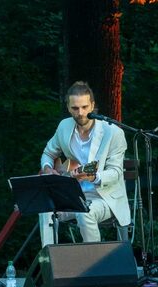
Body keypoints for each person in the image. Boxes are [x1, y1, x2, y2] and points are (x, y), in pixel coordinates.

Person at [38, 81, 131, 247]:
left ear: (92, 106)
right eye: (75, 108)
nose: (80, 113)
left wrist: (94, 176)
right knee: (46, 208)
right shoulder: (64, 127)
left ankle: (94, 265)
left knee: (84, 212)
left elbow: (116, 173)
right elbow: (48, 153)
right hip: (75, 195)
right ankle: (49, 261)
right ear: (68, 107)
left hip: (105, 197)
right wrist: (47, 168)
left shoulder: (113, 132)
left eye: (84, 107)